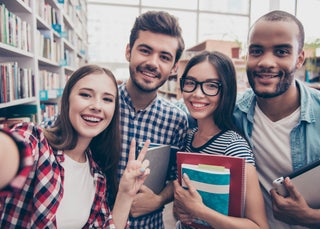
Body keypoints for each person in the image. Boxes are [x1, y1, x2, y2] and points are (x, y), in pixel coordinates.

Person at [0, 64, 151, 228]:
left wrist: (126, 194)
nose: (97, 106)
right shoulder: (36, 142)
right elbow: (12, 149)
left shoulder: (97, 175)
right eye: (86, 95)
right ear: (67, 100)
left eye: (107, 99)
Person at [233, 10, 320, 229]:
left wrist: (311, 217)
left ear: (299, 59)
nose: (266, 62)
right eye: (257, 51)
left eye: (281, 51)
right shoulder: (232, 113)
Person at [173, 51, 269, 229]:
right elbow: (181, 210)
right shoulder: (187, 137)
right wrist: (181, 210)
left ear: (226, 90)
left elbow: (259, 226)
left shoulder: (234, 147)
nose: (197, 94)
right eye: (190, 83)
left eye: (211, 86)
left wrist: (200, 211)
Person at [118, 11, 189, 228]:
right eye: (145, 51)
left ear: (175, 67)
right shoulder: (101, 106)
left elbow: (178, 178)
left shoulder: (177, 120)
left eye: (164, 57)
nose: (152, 63)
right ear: (129, 51)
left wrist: (159, 200)